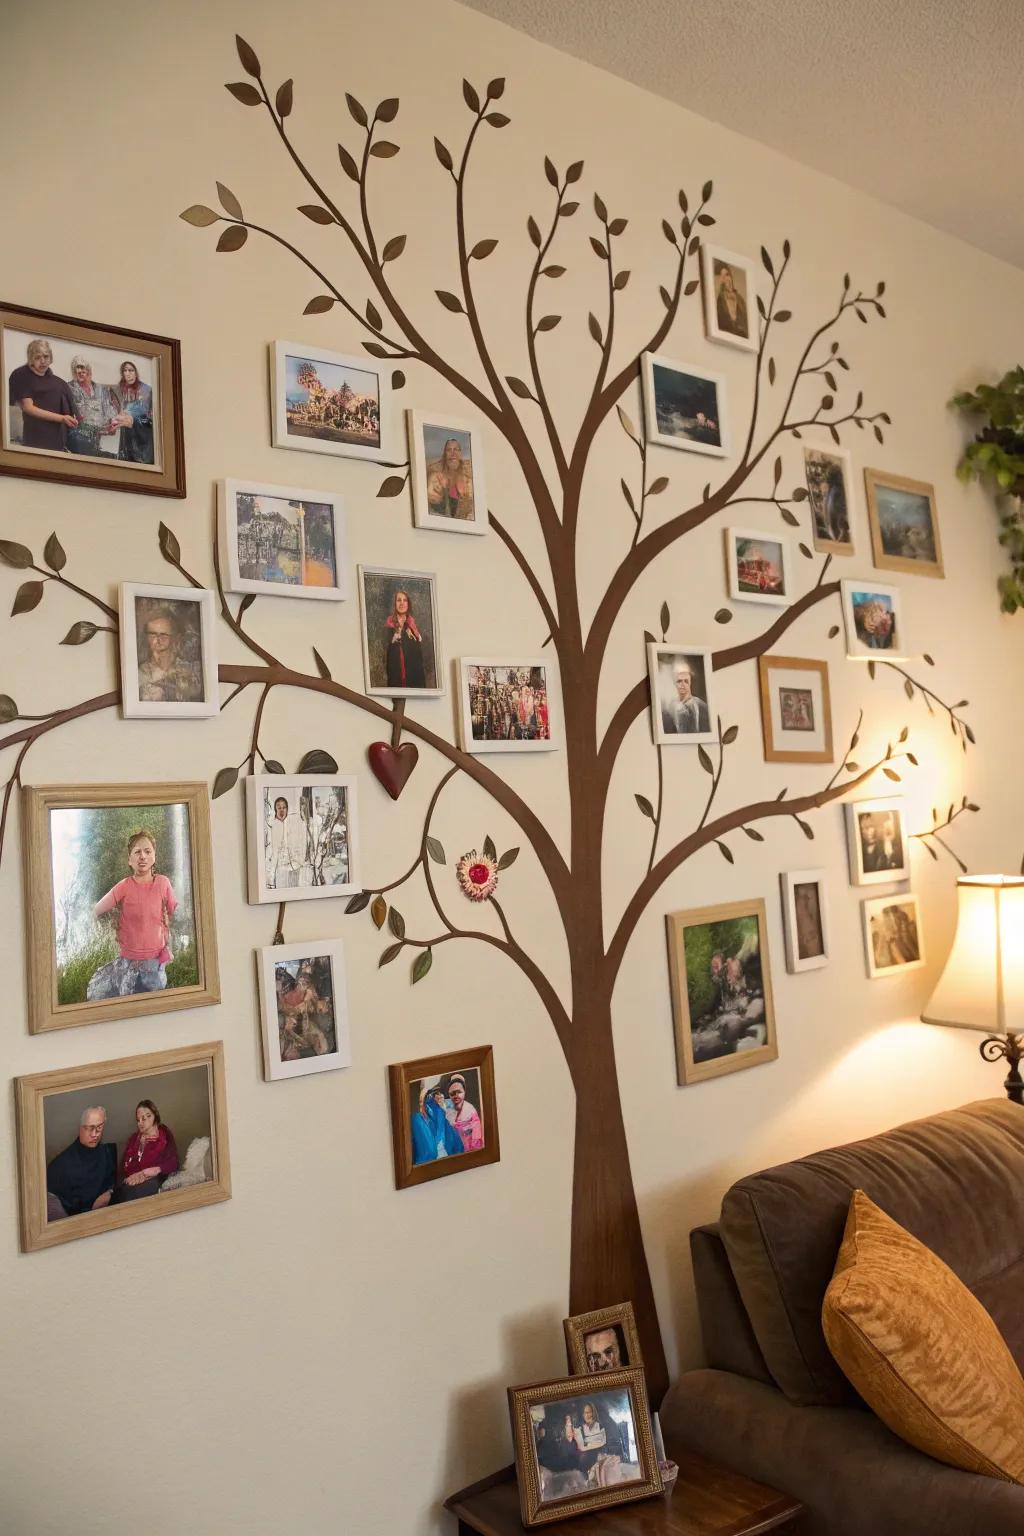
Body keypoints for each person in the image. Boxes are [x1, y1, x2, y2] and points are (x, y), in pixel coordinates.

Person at [92, 829, 177, 993]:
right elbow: (97, 909)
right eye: (137, 852)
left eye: (147, 851)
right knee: (130, 999)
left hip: (155, 961)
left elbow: (173, 911)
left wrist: (166, 938)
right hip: (128, 962)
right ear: (129, 860)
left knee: (154, 999)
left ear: (154, 856)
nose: (143, 856)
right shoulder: (123, 886)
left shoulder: (163, 883)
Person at [46, 1106, 117, 1220]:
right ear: (80, 1127)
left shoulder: (106, 1152)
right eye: (89, 1128)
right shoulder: (60, 1165)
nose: (95, 1134)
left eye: (99, 1127)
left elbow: (111, 1181)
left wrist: (108, 1192)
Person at [7, 338, 76, 452]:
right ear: (31, 359)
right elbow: (28, 408)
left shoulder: (59, 383)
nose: (43, 361)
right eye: (37, 357)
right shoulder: (21, 375)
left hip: (58, 442)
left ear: (51, 358)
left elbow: (73, 414)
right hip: (34, 440)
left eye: (46, 356)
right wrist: (62, 418)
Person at [113, 1100, 179, 1204]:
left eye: (143, 1118)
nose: (140, 1123)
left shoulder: (165, 1135)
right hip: (131, 1182)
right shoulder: (134, 1138)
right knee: (119, 1194)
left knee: (133, 1193)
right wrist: (130, 1178)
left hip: (154, 1180)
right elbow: (123, 1167)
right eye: (138, 1120)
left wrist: (154, 1170)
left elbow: (173, 1162)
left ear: (152, 1116)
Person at [137, 606, 202, 704]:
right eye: (152, 634)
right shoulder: (140, 673)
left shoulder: (188, 670)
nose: (157, 639)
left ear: (176, 637)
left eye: (163, 635)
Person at [66, 356, 115, 458]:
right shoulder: (69, 388)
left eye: (82, 368)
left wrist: (111, 425)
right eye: (77, 369)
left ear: (89, 370)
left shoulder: (101, 390)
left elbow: (109, 413)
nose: (80, 372)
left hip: (99, 437)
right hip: (78, 437)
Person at [110, 359, 154, 465]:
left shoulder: (146, 390)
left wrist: (134, 421)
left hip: (143, 442)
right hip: (125, 440)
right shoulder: (119, 390)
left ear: (136, 372)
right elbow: (114, 411)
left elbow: (150, 420)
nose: (128, 374)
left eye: (131, 370)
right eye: (125, 370)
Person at [410, 1082, 463, 1165]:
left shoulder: (437, 1110)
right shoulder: (417, 1119)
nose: (439, 1096)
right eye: (436, 1094)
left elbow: (457, 1144)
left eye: (439, 1093)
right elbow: (429, 1153)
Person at [425, 435, 475, 520]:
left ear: (460, 453)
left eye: (456, 449)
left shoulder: (470, 470)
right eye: (449, 450)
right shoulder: (434, 472)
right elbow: (431, 496)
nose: (453, 453)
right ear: (445, 454)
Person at [385, 589, 426, 689]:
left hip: (412, 670)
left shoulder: (412, 622)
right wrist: (397, 634)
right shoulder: (390, 621)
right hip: (396, 668)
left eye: (405, 600)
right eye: (399, 600)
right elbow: (386, 646)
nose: (402, 603)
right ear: (394, 603)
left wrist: (411, 635)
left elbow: (418, 647)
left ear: (408, 604)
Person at [265, 794, 308, 889]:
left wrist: (300, 860)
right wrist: (271, 878)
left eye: (284, 808)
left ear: (287, 809)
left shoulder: (293, 822)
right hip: (280, 868)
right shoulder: (273, 825)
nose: (282, 810)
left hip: (295, 865)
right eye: (279, 808)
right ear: (275, 810)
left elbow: (301, 839)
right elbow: (273, 852)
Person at [662, 659, 710, 735]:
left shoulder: (701, 705)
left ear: (690, 683)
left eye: (686, 681)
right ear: (675, 683)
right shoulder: (671, 706)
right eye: (679, 681)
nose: (683, 685)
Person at [446, 1073, 483, 1153]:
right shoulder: (447, 1110)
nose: (456, 1096)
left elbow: (477, 1134)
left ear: (464, 1092)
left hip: (469, 1147)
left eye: (459, 1092)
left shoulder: (470, 1110)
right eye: (452, 1093)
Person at [715, 262, 748, 339]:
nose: (726, 279)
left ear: (731, 276)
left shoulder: (740, 299)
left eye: (727, 275)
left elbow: (746, 322)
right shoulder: (720, 299)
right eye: (722, 277)